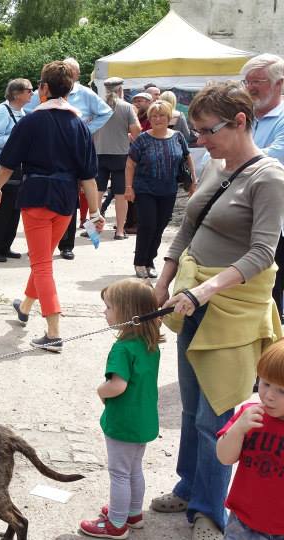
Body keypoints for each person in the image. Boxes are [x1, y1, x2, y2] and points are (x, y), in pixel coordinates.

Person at [151, 81, 284, 537]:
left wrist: (203, 293)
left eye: (208, 131)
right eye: (197, 131)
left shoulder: (270, 177)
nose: (200, 141)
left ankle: (209, 509)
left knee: (216, 417)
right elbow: (188, 226)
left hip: (230, 310)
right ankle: (190, 486)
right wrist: (164, 278)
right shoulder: (214, 165)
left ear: (241, 121)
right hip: (192, 300)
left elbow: (263, 253)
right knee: (191, 408)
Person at [0, 60, 105, 352]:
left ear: (44, 88)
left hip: (37, 196)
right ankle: (25, 307)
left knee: (41, 265)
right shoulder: (80, 125)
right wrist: (95, 212)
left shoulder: (30, 121)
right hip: (66, 200)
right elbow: (89, 176)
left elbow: (7, 164)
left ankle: (53, 333)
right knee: (44, 259)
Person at [78, 279, 161, 540]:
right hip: (144, 420)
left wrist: (100, 391)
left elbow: (118, 385)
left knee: (119, 474)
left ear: (128, 314)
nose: (105, 312)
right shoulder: (150, 345)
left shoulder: (122, 348)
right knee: (134, 469)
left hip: (124, 422)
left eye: (109, 307)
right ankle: (133, 514)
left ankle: (116, 523)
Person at [26, 57, 113, 261]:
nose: (69, 78)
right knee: (45, 204)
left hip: (71, 149)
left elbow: (105, 112)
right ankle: (42, 246)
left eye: (72, 74)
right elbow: (27, 114)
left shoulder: (84, 93)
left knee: (69, 197)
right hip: (46, 151)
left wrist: (84, 130)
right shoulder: (43, 95)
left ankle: (66, 245)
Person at [216, 339, 284, 539]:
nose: (269, 395)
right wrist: (237, 430)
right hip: (243, 523)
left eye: (282, 390)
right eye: (265, 383)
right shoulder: (250, 414)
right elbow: (224, 457)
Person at [125, 101, 196, 278]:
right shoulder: (143, 139)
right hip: (145, 189)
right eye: (154, 116)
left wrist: (193, 181)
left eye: (161, 115)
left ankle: (150, 261)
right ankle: (140, 262)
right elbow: (130, 164)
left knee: (160, 227)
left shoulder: (178, 136)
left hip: (168, 190)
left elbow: (188, 158)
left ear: (169, 117)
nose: (158, 119)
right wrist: (128, 187)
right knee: (147, 225)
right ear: (149, 118)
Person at [240, 54, 284, 321]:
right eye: (247, 81)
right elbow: (214, 158)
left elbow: (274, 159)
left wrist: (233, 153)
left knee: (273, 293)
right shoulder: (243, 117)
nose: (250, 87)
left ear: (280, 84)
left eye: (258, 81)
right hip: (243, 219)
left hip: (276, 224)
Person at [0, 78, 32, 263]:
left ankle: (4, 246)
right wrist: (16, 140)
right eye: (29, 90)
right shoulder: (2, 111)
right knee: (0, 209)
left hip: (17, 168)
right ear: (16, 94)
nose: (32, 94)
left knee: (13, 210)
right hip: (1, 166)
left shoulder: (23, 112)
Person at [93, 77, 141, 239]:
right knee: (120, 194)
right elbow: (137, 131)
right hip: (120, 155)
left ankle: (94, 230)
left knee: (97, 193)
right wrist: (127, 136)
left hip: (99, 153)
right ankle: (120, 231)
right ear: (121, 90)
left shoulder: (97, 105)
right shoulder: (126, 107)